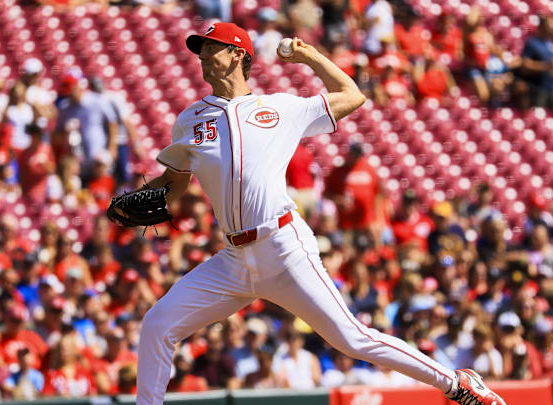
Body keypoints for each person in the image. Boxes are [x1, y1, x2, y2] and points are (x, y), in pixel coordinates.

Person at [130, 22, 506, 405]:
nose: (203, 56)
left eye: (213, 48)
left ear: (238, 55)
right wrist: (140, 200)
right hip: (233, 260)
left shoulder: (280, 108)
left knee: (353, 339)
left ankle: (456, 383)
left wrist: (309, 55)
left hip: (282, 246)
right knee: (157, 325)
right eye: (201, 49)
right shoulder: (190, 120)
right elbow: (175, 184)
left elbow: (352, 94)